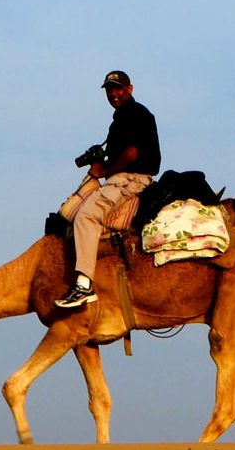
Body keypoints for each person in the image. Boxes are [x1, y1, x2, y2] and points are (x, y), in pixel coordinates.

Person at [55, 70, 161, 308]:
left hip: (130, 180)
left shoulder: (133, 114)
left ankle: (83, 285)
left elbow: (132, 154)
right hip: (123, 177)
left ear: (130, 89)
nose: (113, 93)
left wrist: (103, 171)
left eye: (118, 88)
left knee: (85, 216)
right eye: (109, 90)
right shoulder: (122, 118)